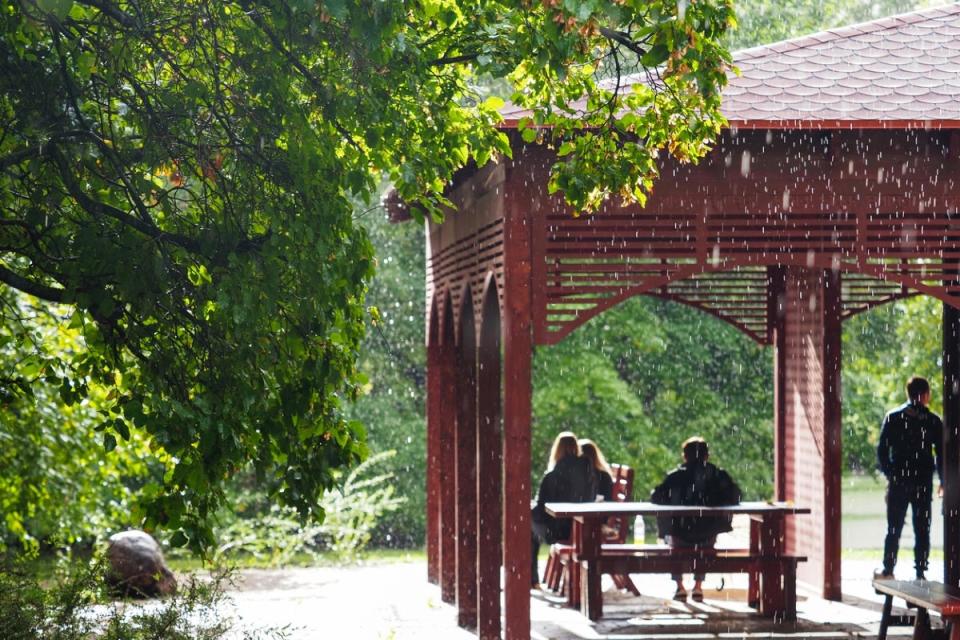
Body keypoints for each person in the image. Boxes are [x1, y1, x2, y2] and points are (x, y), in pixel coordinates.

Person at [651, 436, 741, 602]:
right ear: (707, 455)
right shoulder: (718, 475)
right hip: (708, 532)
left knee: (674, 546)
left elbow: (656, 497)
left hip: (680, 531)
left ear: (685, 456)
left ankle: (680, 587)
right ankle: (698, 587)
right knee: (704, 548)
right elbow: (736, 496)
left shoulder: (675, 477)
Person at [876, 375, 943, 580]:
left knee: (893, 527)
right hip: (922, 481)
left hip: (899, 480)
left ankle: (888, 569)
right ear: (924, 395)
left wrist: (891, 473)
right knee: (922, 528)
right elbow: (940, 453)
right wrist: (942, 480)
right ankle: (920, 572)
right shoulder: (933, 421)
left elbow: (882, 450)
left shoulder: (893, 417)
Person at [530, 431, 593, 588]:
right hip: (582, 528)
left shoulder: (553, 476)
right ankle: (533, 579)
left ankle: (532, 579)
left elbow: (542, 506)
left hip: (558, 531)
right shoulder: (587, 471)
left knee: (527, 526)